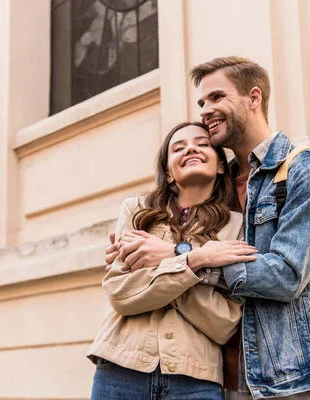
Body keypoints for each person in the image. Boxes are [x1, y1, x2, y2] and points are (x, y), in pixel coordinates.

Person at [105, 57, 310, 399]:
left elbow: (287, 274)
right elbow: (165, 234)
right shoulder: (218, 183)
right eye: (202, 102)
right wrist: (133, 242)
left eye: (217, 97)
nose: (205, 110)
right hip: (222, 376)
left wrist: (181, 257)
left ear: (254, 97)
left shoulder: (307, 171)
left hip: (291, 376)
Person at [88, 121, 258, 400]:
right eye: (178, 147)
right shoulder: (136, 210)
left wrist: (158, 275)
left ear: (219, 165)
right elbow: (121, 293)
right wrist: (196, 260)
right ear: (168, 173)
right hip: (120, 369)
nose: (191, 148)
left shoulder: (237, 225)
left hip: (195, 379)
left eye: (203, 144)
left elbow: (225, 320)